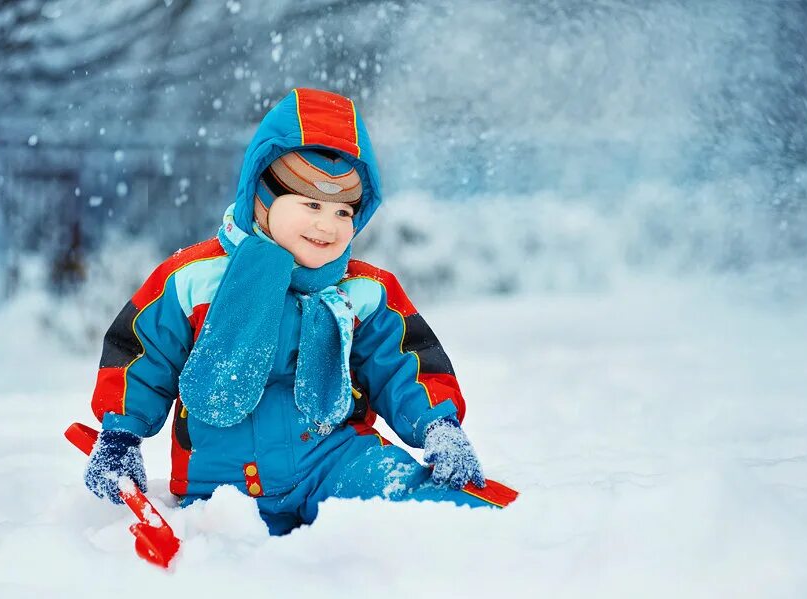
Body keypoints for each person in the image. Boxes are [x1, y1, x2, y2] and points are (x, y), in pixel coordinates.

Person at [84, 88, 517, 536]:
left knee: (417, 513)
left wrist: (438, 425)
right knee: (232, 563)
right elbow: (140, 353)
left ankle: (496, 533)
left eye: (344, 210)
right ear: (261, 197)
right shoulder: (195, 280)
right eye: (311, 204)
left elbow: (405, 362)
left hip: (334, 461)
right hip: (223, 486)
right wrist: (120, 435)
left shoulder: (363, 291)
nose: (327, 226)